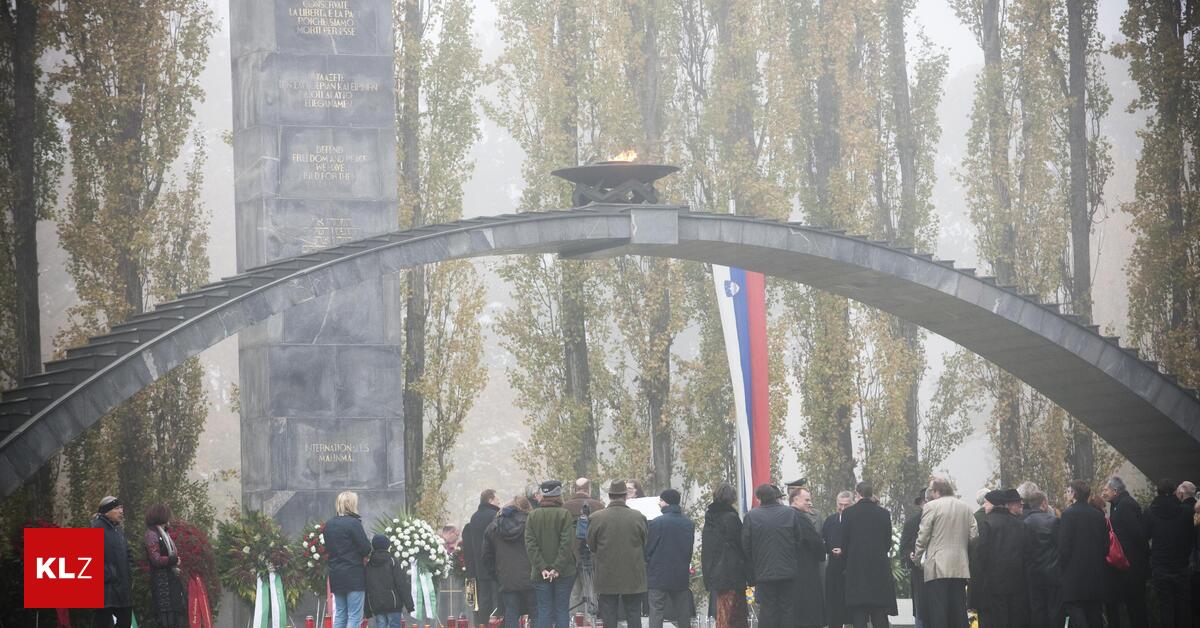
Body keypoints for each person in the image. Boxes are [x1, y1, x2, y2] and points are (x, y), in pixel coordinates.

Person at [913, 477, 977, 628]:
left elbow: (923, 535)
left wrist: (917, 556)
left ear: (936, 491)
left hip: (938, 566)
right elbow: (974, 534)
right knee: (959, 611)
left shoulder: (931, 507)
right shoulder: (965, 507)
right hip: (960, 565)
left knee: (939, 611)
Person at [742, 483, 804, 628]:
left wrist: (755, 562)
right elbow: (799, 540)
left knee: (767, 610)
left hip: (764, 572)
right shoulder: (790, 513)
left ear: (759, 498)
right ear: (775, 497)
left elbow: (746, 545)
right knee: (787, 609)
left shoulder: (752, 516)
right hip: (787, 570)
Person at [588, 480, 648, 628]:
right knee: (634, 614)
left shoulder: (596, 517)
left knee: (608, 614)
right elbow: (645, 542)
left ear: (609, 496)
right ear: (625, 496)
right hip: (633, 573)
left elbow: (591, 545)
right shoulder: (638, 516)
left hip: (606, 573)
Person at [841, 481, 897, 628]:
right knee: (880, 614)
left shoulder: (848, 513)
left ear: (857, 494)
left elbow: (844, 543)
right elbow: (887, 543)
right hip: (879, 571)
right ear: (871, 494)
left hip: (857, 571)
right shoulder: (884, 513)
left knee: (859, 615)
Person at [975, 489, 1031, 628]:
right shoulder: (1019, 523)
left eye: (986, 503)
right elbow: (1026, 550)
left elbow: (981, 552)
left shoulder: (988, 523)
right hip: (1017, 580)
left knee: (998, 618)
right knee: (1015, 617)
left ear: (994, 504)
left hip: (994, 581)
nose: (985, 506)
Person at [1143, 478, 1195, 628]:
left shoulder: (1151, 512)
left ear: (1157, 492)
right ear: (1174, 492)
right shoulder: (1185, 511)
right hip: (1181, 564)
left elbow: (1144, 536)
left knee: (1165, 606)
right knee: (1183, 606)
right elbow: (1191, 536)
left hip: (1160, 565)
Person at [525, 480, 577, 628]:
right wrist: (557, 568)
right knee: (562, 610)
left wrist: (542, 568)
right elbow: (566, 544)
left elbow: (531, 545)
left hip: (540, 573)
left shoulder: (532, 516)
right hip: (564, 571)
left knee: (544, 611)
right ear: (558, 494)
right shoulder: (564, 514)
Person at [1101, 476, 1149, 628]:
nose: (1103, 493)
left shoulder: (1125, 506)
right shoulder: (1119, 504)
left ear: (1115, 491)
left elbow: (1137, 534)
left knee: (1136, 607)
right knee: (1133, 606)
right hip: (1129, 564)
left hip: (1132, 565)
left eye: (1105, 489)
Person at [483, 496, 536, 628]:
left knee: (511, 613)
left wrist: (496, 574)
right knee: (536, 614)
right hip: (531, 576)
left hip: (506, 577)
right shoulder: (531, 523)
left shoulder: (493, 526)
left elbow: (486, 555)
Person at [1059, 481, 1107, 627]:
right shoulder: (1098, 515)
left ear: (1074, 493)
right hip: (1095, 575)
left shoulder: (1068, 514)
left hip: (1074, 576)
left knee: (1077, 615)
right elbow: (1106, 545)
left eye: (1068, 491)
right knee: (1095, 615)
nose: (1066, 494)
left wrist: (1063, 569)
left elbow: (1064, 547)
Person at [645, 489, 695, 628]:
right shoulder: (689, 524)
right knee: (682, 612)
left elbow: (648, 549)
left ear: (666, 502)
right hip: (680, 573)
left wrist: (649, 563)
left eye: (660, 500)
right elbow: (688, 550)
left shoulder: (656, 523)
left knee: (656, 611)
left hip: (658, 574)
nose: (659, 503)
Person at [701, 484, 748, 628]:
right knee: (734, 613)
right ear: (731, 498)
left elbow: (707, 549)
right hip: (732, 572)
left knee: (723, 612)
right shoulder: (730, 518)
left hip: (716, 572)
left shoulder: (710, 519)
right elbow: (742, 544)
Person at [326, 491, 372, 628]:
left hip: (336, 574)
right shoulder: (353, 523)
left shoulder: (329, 524)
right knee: (354, 616)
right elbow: (365, 548)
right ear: (352, 504)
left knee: (340, 614)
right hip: (353, 575)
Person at [563, 477, 605, 617]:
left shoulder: (565, 507)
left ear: (574, 489)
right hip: (592, 555)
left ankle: (573, 621)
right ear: (589, 489)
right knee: (591, 592)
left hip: (570, 556)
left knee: (574, 592)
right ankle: (590, 621)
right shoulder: (598, 506)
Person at [787, 486, 827, 628]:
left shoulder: (784, 516)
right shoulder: (801, 518)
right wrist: (822, 552)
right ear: (795, 500)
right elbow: (816, 544)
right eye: (807, 500)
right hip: (805, 572)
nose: (810, 503)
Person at [144, 504, 186, 628]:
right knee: (165, 618)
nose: (170, 519)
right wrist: (173, 560)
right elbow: (155, 559)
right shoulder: (152, 534)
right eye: (167, 515)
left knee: (175, 616)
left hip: (171, 580)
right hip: (161, 583)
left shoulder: (165, 534)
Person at [93, 496, 133, 628]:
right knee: (103, 624)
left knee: (125, 622)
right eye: (117, 508)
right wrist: (109, 575)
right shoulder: (97, 528)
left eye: (121, 508)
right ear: (106, 511)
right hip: (106, 592)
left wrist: (128, 571)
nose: (121, 511)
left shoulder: (118, 530)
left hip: (122, 590)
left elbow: (128, 553)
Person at [1023, 490, 1061, 628]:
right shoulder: (1054, 521)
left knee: (1037, 610)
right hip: (1053, 573)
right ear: (1044, 503)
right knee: (1054, 611)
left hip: (1033, 574)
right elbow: (1061, 546)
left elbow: (1024, 551)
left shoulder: (1024, 523)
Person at [464, 489, 502, 623]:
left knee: (484, 602)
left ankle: (482, 624)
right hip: (494, 566)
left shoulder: (474, 517)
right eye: (497, 499)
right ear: (490, 500)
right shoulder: (496, 515)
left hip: (479, 568)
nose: (499, 502)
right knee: (497, 603)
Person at [365, 533, 414, 628]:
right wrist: (409, 604)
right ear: (387, 546)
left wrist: (367, 610)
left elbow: (367, 587)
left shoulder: (369, 565)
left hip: (377, 605)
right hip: (393, 604)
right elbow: (401, 584)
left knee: (381, 625)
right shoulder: (392, 561)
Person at [822, 490, 854, 628]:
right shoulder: (830, 520)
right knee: (834, 607)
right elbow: (824, 540)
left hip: (851, 569)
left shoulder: (856, 521)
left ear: (852, 504)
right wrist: (830, 549)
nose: (842, 508)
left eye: (846, 505)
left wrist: (844, 551)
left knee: (851, 610)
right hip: (833, 570)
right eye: (840, 504)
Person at [898, 490, 928, 628]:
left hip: (939, 573)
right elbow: (903, 547)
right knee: (921, 609)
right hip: (919, 572)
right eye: (925, 502)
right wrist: (909, 554)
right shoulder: (912, 523)